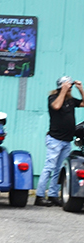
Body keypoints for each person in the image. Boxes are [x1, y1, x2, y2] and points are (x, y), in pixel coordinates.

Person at [35, 76, 84, 206]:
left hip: (66, 141)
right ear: (61, 86)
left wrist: (80, 89)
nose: (69, 88)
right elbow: (56, 106)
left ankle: (52, 195)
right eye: (67, 85)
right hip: (55, 140)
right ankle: (39, 196)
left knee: (58, 169)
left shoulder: (71, 100)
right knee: (49, 168)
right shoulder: (53, 98)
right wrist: (63, 90)